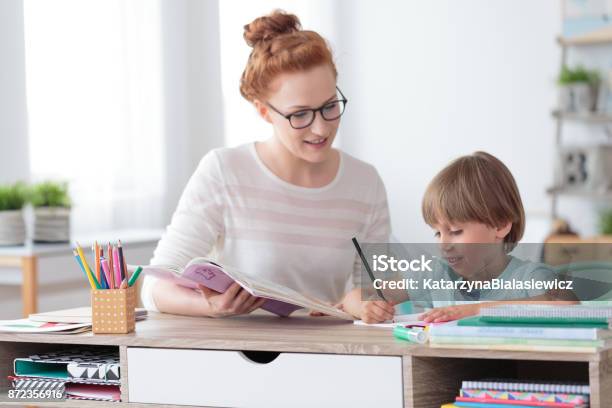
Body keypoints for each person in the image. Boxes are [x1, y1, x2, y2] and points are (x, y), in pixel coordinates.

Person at [140, 10, 391, 317]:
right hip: (242, 354)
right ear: (263, 111)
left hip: (328, 351)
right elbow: (153, 289)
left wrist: (361, 299)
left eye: (329, 107)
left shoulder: (364, 182)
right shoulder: (224, 171)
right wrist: (212, 307)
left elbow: (379, 287)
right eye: (299, 115)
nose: (321, 129)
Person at [346, 151, 576, 323]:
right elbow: (353, 297)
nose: (444, 244)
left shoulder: (529, 277)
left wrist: (476, 310)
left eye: (455, 231)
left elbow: (567, 305)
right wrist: (364, 307)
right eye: (438, 232)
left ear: (500, 225)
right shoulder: (434, 274)